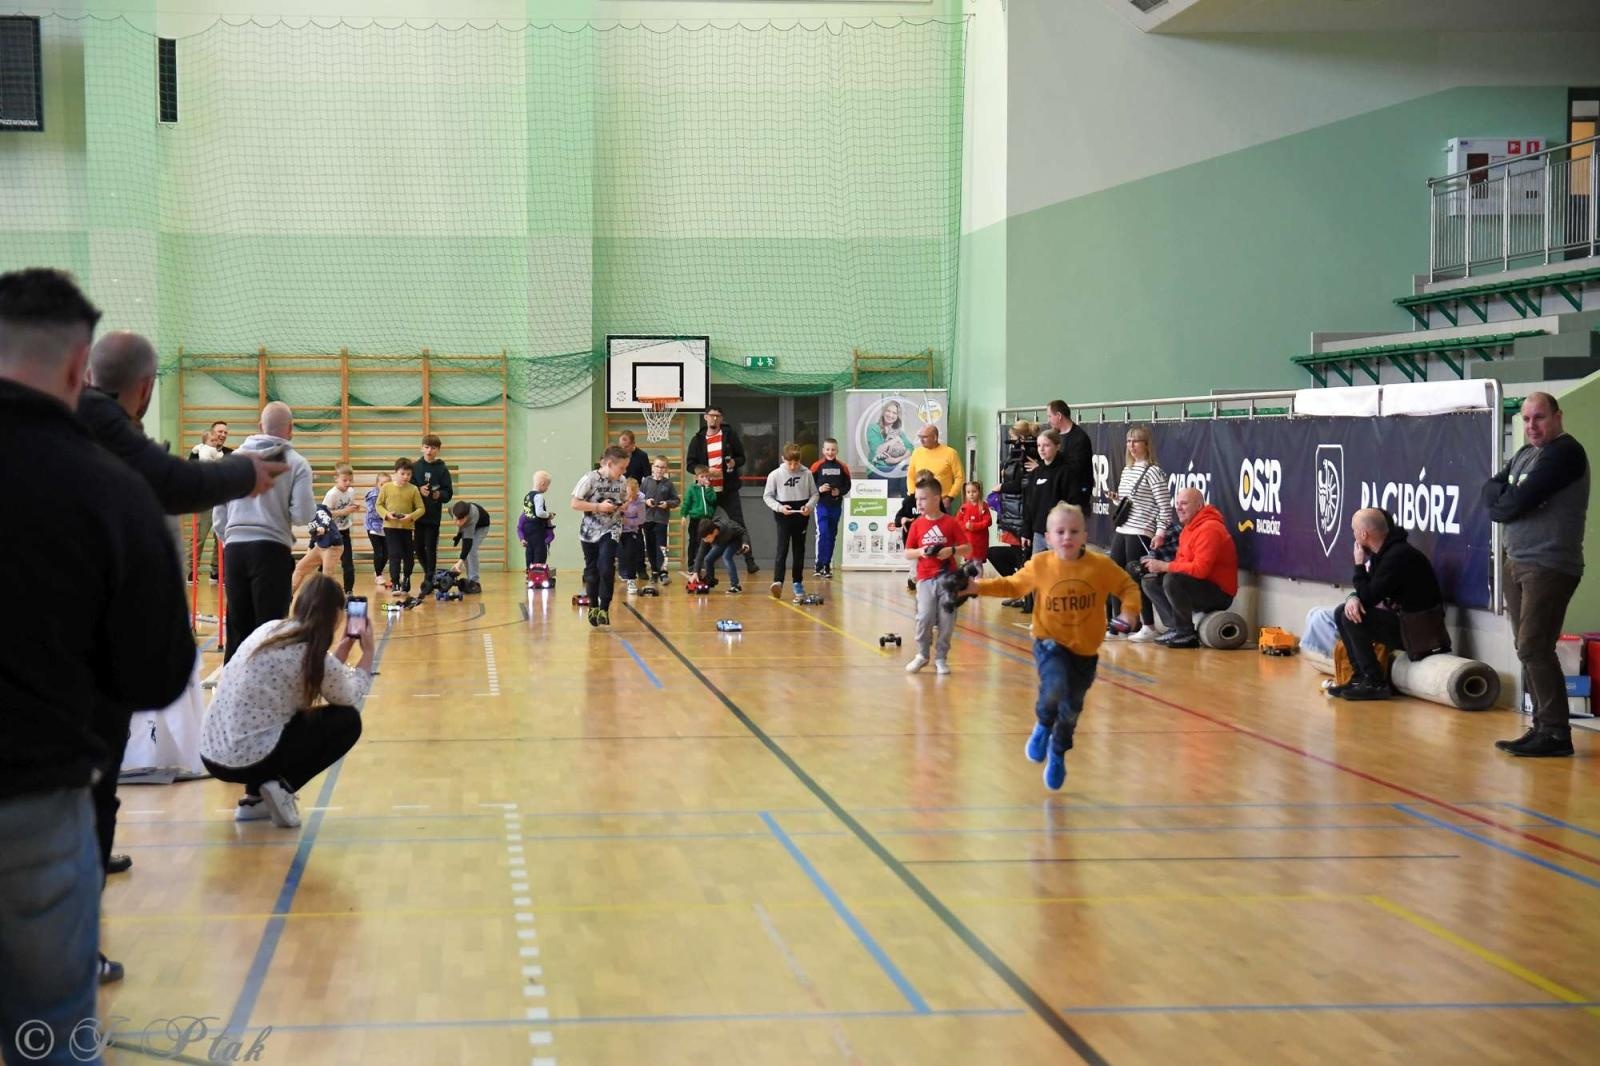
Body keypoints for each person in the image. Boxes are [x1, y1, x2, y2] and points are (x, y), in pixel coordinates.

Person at [1, 268, 190, 1060]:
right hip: (36, 793)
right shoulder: (111, 489)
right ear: (83, 374)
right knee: (48, 1029)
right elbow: (156, 675)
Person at [960, 502, 1140, 790]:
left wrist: (1129, 612)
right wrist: (978, 587)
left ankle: (1057, 753)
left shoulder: (1100, 567)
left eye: (1074, 531)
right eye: (1060, 532)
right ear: (1049, 536)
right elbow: (1012, 586)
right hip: (1049, 643)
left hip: (1085, 653)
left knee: (1070, 711)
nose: (1067, 537)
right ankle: (1043, 724)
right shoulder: (1041, 565)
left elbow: (1128, 587)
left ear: (1084, 535)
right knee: (1054, 686)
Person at [200, 576, 373, 829]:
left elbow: (312, 676)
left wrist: (342, 651)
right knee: (346, 722)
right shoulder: (312, 656)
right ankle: (283, 788)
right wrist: (368, 655)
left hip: (212, 753)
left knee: (274, 720)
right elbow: (348, 696)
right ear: (335, 617)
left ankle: (254, 801)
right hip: (247, 758)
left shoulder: (269, 630)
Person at [1484, 391, 1590, 757]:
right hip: (1517, 560)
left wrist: (1510, 499)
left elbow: (1513, 502)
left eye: (1539, 418)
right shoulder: (1524, 454)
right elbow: (1491, 490)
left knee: (1533, 645)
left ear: (1557, 416)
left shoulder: (1565, 453)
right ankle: (1542, 726)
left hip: (1549, 564)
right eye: (1527, 419)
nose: (1532, 426)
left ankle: (1557, 733)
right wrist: (1510, 498)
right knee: (1527, 647)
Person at [213, 402, 316, 662]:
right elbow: (304, 514)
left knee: (237, 628)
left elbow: (219, 515)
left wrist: (233, 538)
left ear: (260, 427)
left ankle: (233, 695)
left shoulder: (233, 460)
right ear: (290, 429)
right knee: (271, 632)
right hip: (271, 551)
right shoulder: (297, 463)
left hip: (235, 551)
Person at [1328, 508, 1449, 702]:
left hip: (1420, 634)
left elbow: (1368, 597)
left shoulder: (1398, 557)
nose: (1353, 536)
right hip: (1407, 625)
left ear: (1363, 534)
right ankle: (1360, 677)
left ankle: (1375, 682)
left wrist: (1358, 565)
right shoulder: (1384, 554)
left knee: (1351, 617)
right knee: (1343, 611)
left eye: (1353, 531)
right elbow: (1366, 593)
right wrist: (1352, 597)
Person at [1139, 487, 1238, 649]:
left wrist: (1164, 566)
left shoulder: (1210, 528)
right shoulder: (1188, 528)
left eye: (1184, 503)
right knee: (1150, 580)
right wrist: (1157, 568)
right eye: (1177, 503)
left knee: (1173, 578)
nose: (1178, 507)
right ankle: (1175, 627)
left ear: (1199, 506)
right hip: (1198, 586)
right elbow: (1181, 563)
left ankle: (1186, 633)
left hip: (1219, 594)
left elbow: (1200, 570)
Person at [1105, 426, 1172, 637]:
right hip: (1123, 528)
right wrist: (1116, 498)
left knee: (1136, 577)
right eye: (1129, 441)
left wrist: (1160, 532)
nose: (1132, 446)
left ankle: (1148, 625)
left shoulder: (1153, 471)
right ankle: (1122, 624)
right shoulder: (1127, 470)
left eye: (1136, 442)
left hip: (1141, 530)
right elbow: (1131, 502)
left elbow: (1164, 506)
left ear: (1146, 445)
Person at [903, 476, 967, 675]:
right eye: (917, 499)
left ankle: (941, 657)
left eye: (923, 499)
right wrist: (921, 551)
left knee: (947, 619)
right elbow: (907, 552)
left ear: (936, 498)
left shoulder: (950, 522)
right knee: (924, 616)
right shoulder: (917, 525)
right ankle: (922, 654)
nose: (919, 503)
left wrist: (951, 550)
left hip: (948, 579)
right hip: (925, 579)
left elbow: (967, 548)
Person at [685, 406, 757, 576]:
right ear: (705, 418)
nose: (714, 419)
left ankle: (750, 561)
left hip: (728, 489)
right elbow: (690, 465)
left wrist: (734, 463)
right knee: (700, 526)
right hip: (707, 490)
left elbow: (741, 457)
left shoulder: (729, 436)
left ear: (722, 418)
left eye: (718, 416)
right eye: (711, 416)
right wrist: (708, 472)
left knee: (738, 523)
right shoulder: (697, 440)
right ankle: (694, 564)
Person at [573, 445, 630, 626]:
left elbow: (623, 502)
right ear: (610, 463)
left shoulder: (622, 481)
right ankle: (593, 605)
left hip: (611, 527)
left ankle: (605, 608)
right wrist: (598, 507)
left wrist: (621, 506)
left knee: (606, 566)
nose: (624, 471)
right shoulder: (589, 479)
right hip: (590, 530)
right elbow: (574, 503)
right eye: (621, 467)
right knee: (592, 571)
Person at [763, 442, 820, 600]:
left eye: (796, 462)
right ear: (783, 459)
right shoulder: (775, 474)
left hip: (801, 513)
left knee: (799, 549)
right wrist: (780, 508)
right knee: (782, 548)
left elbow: (815, 494)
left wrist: (809, 506)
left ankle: (797, 582)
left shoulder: (807, 473)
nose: (793, 466)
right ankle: (778, 582)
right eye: (790, 463)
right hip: (783, 513)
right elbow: (767, 496)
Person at [187, 421, 232, 582]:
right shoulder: (199, 450)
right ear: (212, 434)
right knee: (199, 535)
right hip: (204, 499)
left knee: (220, 536)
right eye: (220, 432)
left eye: (226, 433)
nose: (222, 435)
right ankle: (192, 570)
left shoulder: (229, 454)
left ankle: (217, 571)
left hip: (222, 500)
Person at [1027, 400, 1093, 510]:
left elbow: (1075, 469)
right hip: (1054, 497)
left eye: (1049, 416)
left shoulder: (1080, 438)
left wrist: (1042, 468)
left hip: (1074, 500)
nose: (1048, 421)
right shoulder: (1054, 434)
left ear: (1059, 415)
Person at [378, 457, 426, 593]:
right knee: (394, 555)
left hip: (407, 528)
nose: (406, 477)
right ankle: (395, 583)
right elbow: (378, 505)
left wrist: (411, 517)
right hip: (390, 527)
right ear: (395, 473)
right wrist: (387, 514)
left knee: (409, 557)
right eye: (402, 473)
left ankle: (406, 578)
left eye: (409, 474)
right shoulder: (386, 487)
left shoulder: (413, 489)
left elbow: (421, 508)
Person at [810, 437, 852, 578]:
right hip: (821, 505)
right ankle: (819, 564)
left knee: (832, 534)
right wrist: (819, 489)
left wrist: (839, 491)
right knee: (823, 532)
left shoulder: (842, 467)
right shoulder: (817, 466)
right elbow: (809, 485)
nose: (830, 452)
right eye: (827, 449)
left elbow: (847, 485)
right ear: (823, 450)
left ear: (837, 450)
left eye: (833, 449)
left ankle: (827, 565)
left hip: (836, 505)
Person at [413, 434, 452, 583]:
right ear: (422, 448)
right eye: (427, 447)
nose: (429, 450)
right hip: (417, 515)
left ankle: (429, 577)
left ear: (438, 450)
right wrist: (418, 490)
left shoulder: (442, 469)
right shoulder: (415, 467)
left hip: (433, 516)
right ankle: (428, 571)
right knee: (418, 547)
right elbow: (408, 487)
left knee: (431, 547)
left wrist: (438, 495)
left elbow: (448, 492)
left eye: (433, 448)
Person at [641, 456, 680, 583]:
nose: (659, 469)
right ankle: (654, 571)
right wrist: (646, 501)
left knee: (661, 546)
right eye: (657, 466)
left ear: (666, 469)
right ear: (653, 467)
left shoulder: (668, 484)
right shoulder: (646, 481)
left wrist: (667, 504)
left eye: (662, 467)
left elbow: (676, 500)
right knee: (650, 546)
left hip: (661, 520)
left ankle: (663, 571)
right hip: (647, 519)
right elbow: (638, 499)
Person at [907, 423, 964, 510]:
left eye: (925, 437)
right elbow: (911, 476)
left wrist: (950, 497)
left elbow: (960, 477)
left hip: (941, 502)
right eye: (920, 437)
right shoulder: (916, 453)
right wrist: (912, 495)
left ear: (935, 437)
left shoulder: (950, 453)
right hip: (920, 502)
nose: (921, 440)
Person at [323, 462, 360, 594]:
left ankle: (348, 591)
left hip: (344, 532)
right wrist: (343, 512)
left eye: (350, 480)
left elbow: (348, 506)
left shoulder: (351, 491)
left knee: (348, 564)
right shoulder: (332, 494)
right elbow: (324, 514)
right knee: (325, 565)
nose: (348, 483)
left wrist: (353, 506)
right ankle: (322, 589)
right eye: (344, 480)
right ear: (336, 478)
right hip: (330, 533)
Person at [866, 399, 915, 496]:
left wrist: (897, 459)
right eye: (888, 411)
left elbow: (910, 447)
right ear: (883, 412)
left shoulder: (898, 431)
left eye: (894, 413)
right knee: (905, 476)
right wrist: (894, 440)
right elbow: (877, 450)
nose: (890, 415)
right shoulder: (873, 428)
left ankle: (905, 505)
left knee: (910, 471)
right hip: (877, 469)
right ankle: (906, 506)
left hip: (895, 468)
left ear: (897, 417)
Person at [698, 514, 751, 593]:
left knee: (726, 557)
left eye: (708, 538)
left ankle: (736, 586)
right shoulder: (707, 532)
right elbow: (700, 553)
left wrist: (745, 543)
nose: (706, 541)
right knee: (708, 559)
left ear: (715, 532)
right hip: (722, 542)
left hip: (735, 541)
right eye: (704, 539)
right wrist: (695, 572)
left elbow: (743, 532)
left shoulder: (729, 527)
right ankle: (710, 581)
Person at [680, 465, 718, 573]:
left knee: (706, 542)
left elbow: (713, 500)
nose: (705, 479)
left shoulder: (709, 489)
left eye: (707, 476)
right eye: (702, 476)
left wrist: (707, 488)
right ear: (697, 478)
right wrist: (683, 515)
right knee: (693, 541)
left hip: (707, 520)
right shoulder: (692, 489)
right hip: (695, 519)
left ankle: (703, 563)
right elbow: (687, 502)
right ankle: (691, 564)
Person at [448, 500, 492, 589]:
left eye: (460, 520)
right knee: (466, 552)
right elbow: (461, 526)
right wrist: (459, 534)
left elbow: (468, 543)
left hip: (482, 526)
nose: (457, 522)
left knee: (471, 549)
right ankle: (470, 579)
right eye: (455, 519)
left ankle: (475, 582)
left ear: (466, 517)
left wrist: (459, 563)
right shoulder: (452, 510)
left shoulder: (472, 516)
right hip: (469, 526)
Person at [519, 470, 555, 577]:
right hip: (537, 528)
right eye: (547, 486)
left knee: (530, 550)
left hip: (527, 528)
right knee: (539, 551)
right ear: (542, 484)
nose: (547, 489)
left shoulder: (527, 496)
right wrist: (549, 515)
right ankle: (537, 574)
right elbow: (539, 513)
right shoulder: (539, 496)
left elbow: (527, 513)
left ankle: (528, 572)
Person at [618, 478, 647, 595]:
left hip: (631, 531)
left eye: (631, 495)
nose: (629, 498)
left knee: (631, 553)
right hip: (616, 530)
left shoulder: (640, 502)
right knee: (614, 554)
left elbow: (641, 519)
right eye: (627, 495)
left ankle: (631, 580)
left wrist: (626, 521)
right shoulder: (618, 498)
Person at [956, 479, 992, 569]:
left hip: (980, 541)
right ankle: (970, 581)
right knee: (968, 564)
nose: (971, 494)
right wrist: (965, 526)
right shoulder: (963, 508)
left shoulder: (983, 506)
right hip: (967, 541)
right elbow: (957, 521)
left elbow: (988, 521)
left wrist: (974, 526)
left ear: (979, 492)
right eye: (968, 492)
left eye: (974, 491)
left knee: (977, 563)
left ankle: (978, 582)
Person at [364, 472, 389, 588]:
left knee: (386, 553)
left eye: (387, 484)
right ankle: (378, 575)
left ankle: (378, 570)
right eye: (382, 484)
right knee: (378, 552)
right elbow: (374, 512)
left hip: (385, 526)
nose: (384, 486)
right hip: (373, 526)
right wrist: (388, 514)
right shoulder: (373, 496)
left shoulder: (391, 494)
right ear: (377, 484)